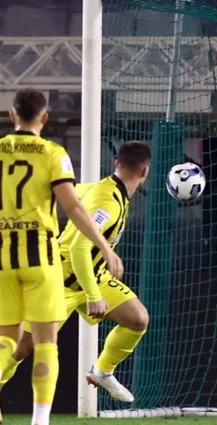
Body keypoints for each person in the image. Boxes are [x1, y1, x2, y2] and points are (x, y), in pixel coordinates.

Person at [0, 89, 124, 425]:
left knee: (7, 340)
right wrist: (104, 246)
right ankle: (40, 422)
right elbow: (73, 206)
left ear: (12, 116)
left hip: (4, 259)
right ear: (44, 118)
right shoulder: (54, 154)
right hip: (41, 258)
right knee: (45, 344)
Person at [0, 141, 151, 405]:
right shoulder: (109, 203)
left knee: (137, 319)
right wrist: (93, 295)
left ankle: (102, 371)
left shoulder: (104, 189)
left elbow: (70, 191)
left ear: (116, 164)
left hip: (95, 276)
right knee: (22, 346)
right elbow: (79, 247)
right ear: (145, 171)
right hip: (61, 280)